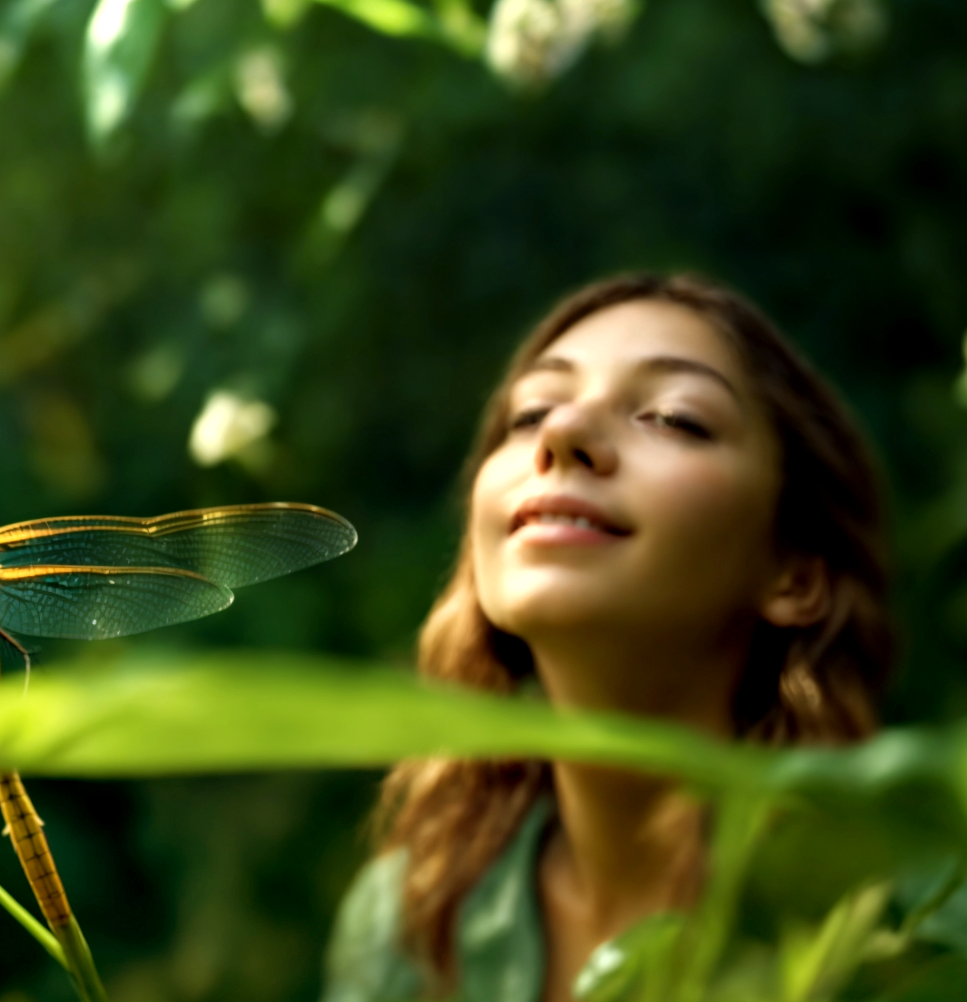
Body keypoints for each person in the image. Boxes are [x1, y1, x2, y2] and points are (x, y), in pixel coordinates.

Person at [322, 273, 894, 1002]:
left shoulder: (893, 927)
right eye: (530, 413)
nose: (562, 435)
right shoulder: (406, 923)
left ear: (795, 574)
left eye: (675, 417)